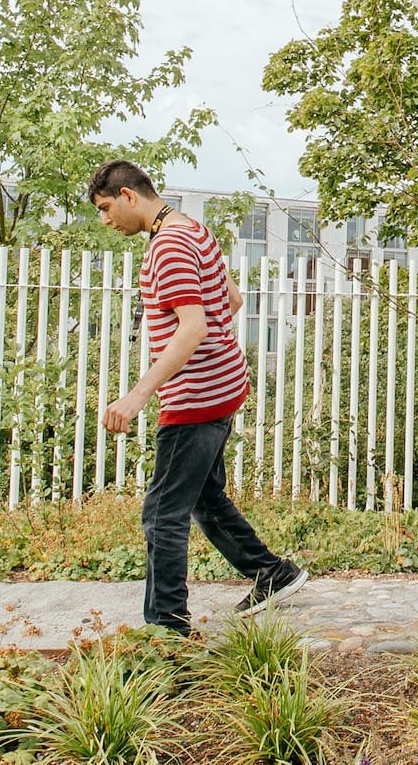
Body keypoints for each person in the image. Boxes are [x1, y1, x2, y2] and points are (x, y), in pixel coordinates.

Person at [91, 160, 306, 633]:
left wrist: (136, 397)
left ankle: (167, 626)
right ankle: (270, 572)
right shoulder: (193, 229)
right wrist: (214, 355)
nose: (106, 221)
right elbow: (229, 299)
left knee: (163, 512)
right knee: (203, 496)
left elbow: (193, 325)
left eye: (106, 209)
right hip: (224, 386)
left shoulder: (166, 247)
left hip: (194, 399)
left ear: (129, 196)